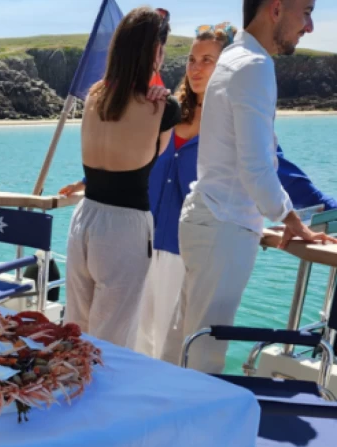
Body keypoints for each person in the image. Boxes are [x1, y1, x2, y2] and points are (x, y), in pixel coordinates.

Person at [136, 21, 337, 359]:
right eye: (192, 59)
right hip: (144, 245)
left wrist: (324, 213)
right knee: (144, 344)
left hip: (179, 251)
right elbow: (130, 163)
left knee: (180, 344)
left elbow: (283, 175)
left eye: (208, 60)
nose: (197, 69)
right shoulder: (166, 114)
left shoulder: (230, 128)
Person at [60, 7, 180, 349]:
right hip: (125, 227)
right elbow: (156, 151)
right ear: (156, 50)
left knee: (76, 330)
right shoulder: (162, 108)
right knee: (112, 339)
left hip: (84, 217)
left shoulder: (95, 95)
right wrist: (158, 92)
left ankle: (71, 394)